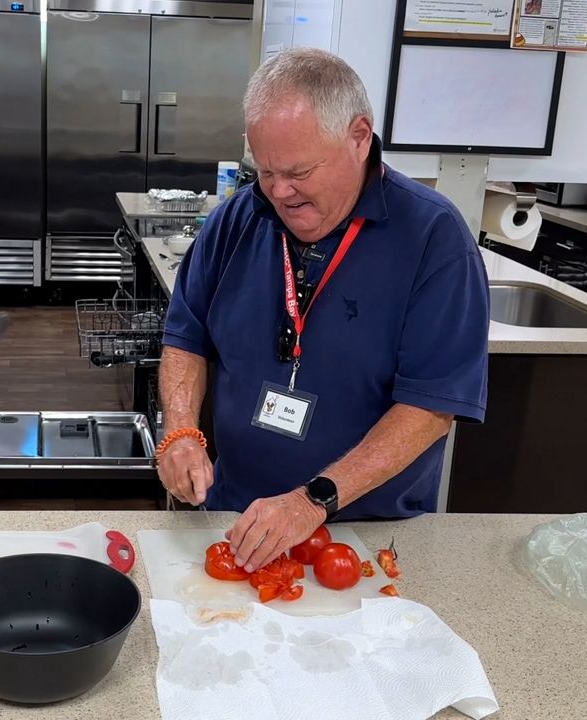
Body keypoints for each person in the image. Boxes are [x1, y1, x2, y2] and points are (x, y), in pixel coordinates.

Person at [157, 48, 489, 571]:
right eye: (265, 171)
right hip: (233, 518)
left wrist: (314, 500)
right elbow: (186, 337)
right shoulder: (239, 218)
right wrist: (179, 431)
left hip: (361, 538)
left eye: (298, 171)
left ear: (359, 137)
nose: (278, 192)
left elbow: (430, 408)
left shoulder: (434, 239)